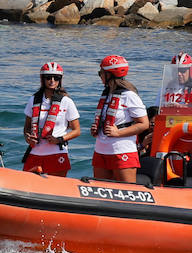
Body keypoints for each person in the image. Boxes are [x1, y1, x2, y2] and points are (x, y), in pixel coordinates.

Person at [91, 54, 150, 183]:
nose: (100, 76)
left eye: (101, 72)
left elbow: (144, 124)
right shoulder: (106, 95)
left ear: (110, 74)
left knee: (127, 191)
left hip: (122, 150)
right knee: (99, 190)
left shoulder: (129, 96)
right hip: (101, 150)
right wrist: (96, 128)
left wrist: (118, 132)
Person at [23, 62, 81, 176]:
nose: (52, 81)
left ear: (60, 79)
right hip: (35, 152)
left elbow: (77, 131)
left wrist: (59, 139)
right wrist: (27, 138)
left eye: (56, 78)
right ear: (42, 79)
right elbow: (26, 127)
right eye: (48, 77)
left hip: (57, 152)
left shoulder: (66, 101)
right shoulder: (33, 100)